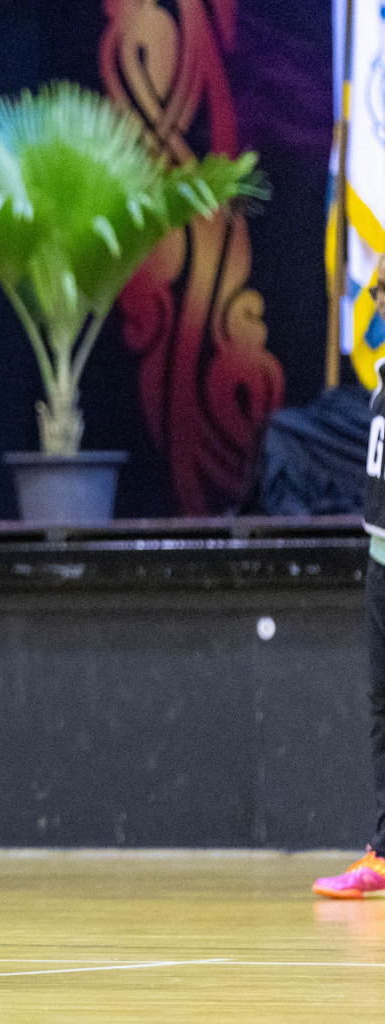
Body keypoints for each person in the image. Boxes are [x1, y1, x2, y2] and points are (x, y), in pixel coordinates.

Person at [314, 264, 385, 900]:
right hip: (380, 559)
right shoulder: (382, 379)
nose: (376, 304)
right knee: (382, 711)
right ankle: (384, 854)